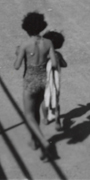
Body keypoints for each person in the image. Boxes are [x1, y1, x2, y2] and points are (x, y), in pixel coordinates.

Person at [14, 12, 58, 160]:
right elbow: (55, 63)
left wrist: (18, 53)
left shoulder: (25, 45)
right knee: (36, 112)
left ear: (26, 28)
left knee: (28, 115)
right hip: (44, 81)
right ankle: (34, 142)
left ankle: (44, 141)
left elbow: (17, 66)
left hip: (30, 81)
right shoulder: (48, 43)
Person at [42, 31, 67, 131]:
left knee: (44, 102)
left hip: (44, 81)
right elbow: (65, 64)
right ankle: (57, 121)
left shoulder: (43, 54)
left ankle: (45, 118)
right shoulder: (57, 54)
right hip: (55, 82)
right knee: (56, 102)